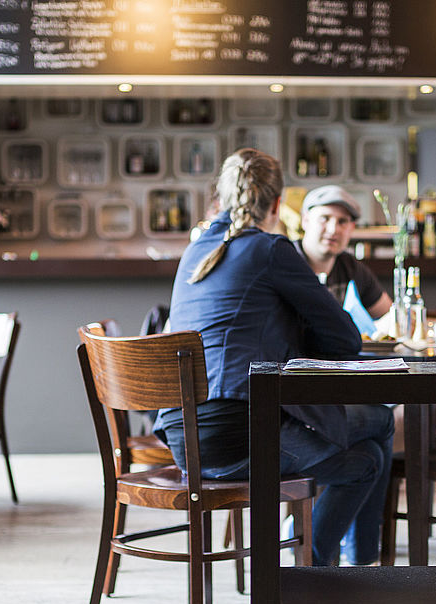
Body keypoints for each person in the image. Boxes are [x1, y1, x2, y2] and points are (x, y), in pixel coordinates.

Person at [156, 149, 393, 576]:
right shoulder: (270, 249)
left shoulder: (196, 251)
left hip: (183, 435)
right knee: (378, 429)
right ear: (280, 205)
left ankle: (342, 564)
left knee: (367, 453)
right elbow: (344, 338)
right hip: (237, 433)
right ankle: (322, 573)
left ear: (223, 198)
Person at [297, 185, 393, 318]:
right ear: (305, 220)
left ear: (352, 228)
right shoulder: (284, 260)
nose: (333, 230)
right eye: (325, 218)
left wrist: (402, 318)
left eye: (342, 221)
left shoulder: (352, 268)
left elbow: (390, 317)